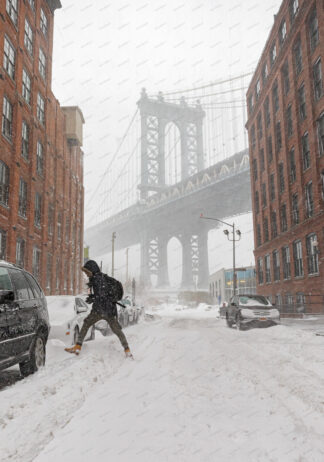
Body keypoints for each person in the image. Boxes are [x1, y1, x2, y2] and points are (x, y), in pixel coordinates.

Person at [65, 260, 132, 358]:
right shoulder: (101, 278)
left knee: (86, 324)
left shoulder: (97, 279)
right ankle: (127, 350)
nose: (86, 274)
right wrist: (94, 297)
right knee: (117, 330)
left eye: (87, 272)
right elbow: (103, 294)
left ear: (92, 270)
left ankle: (78, 346)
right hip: (109, 310)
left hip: (100, 309)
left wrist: (93, 298)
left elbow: (101, 295)